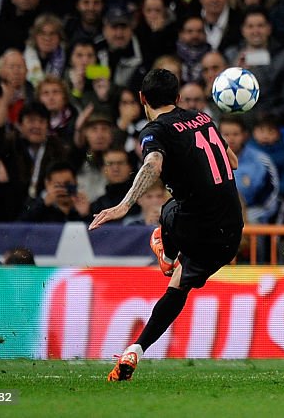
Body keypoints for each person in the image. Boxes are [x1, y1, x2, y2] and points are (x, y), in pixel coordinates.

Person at [89, 68, 242, 382]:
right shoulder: (204, 119)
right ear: (177, 98)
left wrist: (124, 204)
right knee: (178, 287)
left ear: (143, 99)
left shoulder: (156, 129)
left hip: (195, 226)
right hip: (232, 230)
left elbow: (153, 163)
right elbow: (233, 162)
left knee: (169, 208)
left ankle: (167, 252)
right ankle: (136, 348)